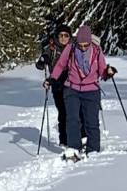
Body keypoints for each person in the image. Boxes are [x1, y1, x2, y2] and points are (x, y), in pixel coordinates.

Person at [45, 24, 117, 158]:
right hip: (72, 88)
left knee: (91, 121)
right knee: (72, 119)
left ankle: (93, 150)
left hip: (91, 90)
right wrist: (52, 78)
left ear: (90, 42)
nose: (83, 48)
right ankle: (73, 148)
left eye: (86, 45)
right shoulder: (71, 48)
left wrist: (108, 72)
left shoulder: (96, 51)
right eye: (81, 45)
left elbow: (102, 70)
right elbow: (60, 65)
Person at [34, 23, 73, 148]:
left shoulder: (74, 47)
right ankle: (64, 140)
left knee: (74, 112)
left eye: (66, 35)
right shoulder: (51, 49)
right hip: (57, 84)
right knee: (63, 112)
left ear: (69, 37)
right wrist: (42, 61)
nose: (63, 38)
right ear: (57, 36)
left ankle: (78, 138)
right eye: (60, 35)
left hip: (72, 83)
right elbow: (40, 63)